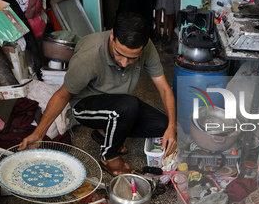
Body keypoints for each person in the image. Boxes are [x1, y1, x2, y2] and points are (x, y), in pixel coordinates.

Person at [19, 12, 177, 176]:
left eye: (132, 59)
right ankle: (108, 156)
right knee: (129, 106)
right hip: (85, 104)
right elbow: (62, 95)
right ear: (112, 36)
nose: (124, 63)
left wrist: (171, 126)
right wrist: (38, 134)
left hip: (119, 103)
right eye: (120, 54)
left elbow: (164, 89)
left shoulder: (146, 47)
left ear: (143, 48)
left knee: (163, 125)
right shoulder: (88, 56)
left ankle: (105, 133)